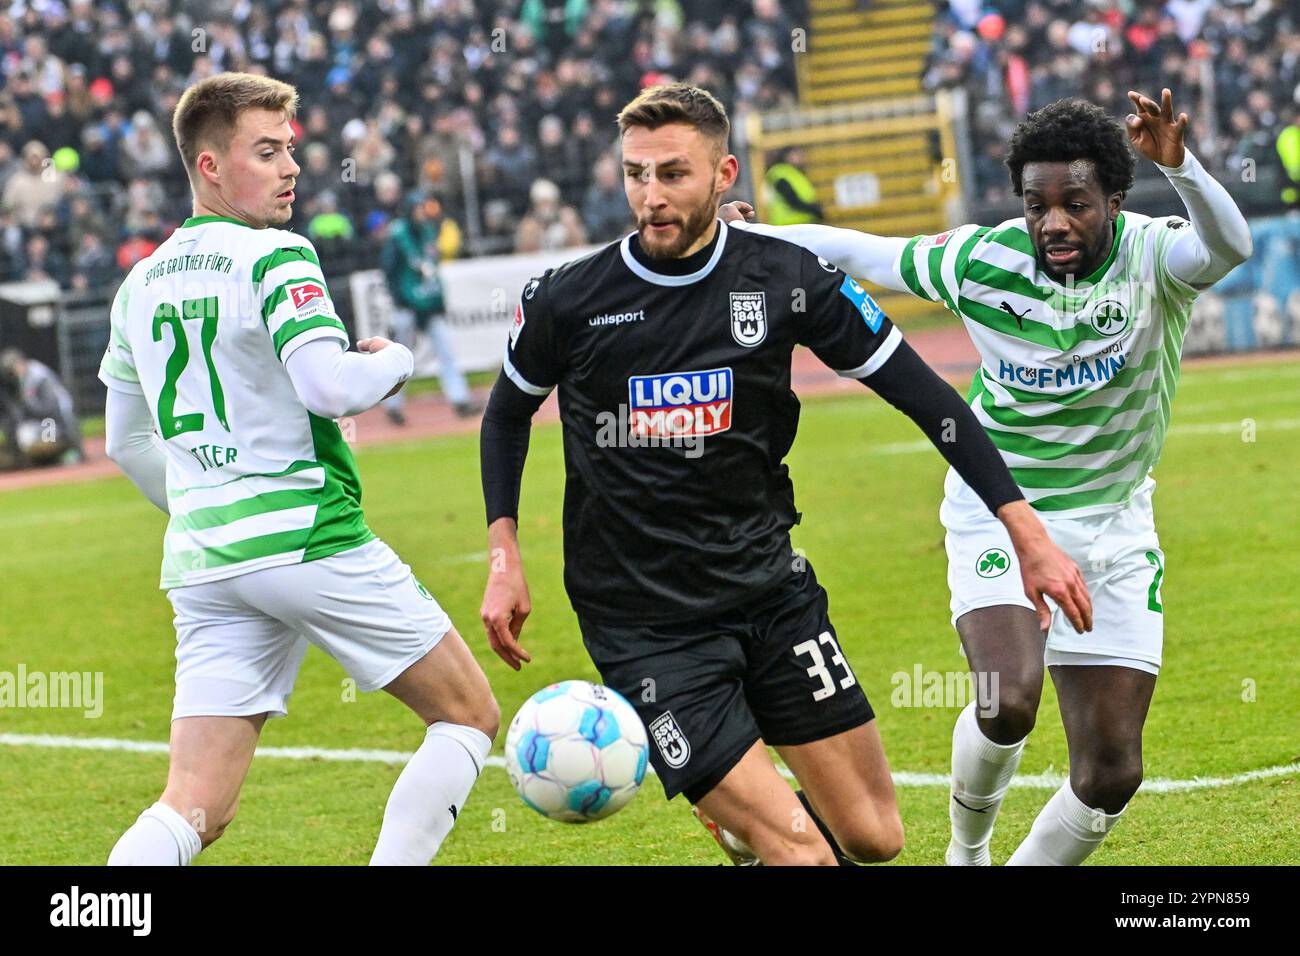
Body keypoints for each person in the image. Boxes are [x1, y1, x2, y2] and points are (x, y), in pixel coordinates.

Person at [478, 83, 1090, 866]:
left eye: (674, 174)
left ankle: (742, 823)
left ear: (725, 172)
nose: (651, 196)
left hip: (771, 594)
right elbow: (504, 417)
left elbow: (929, 398)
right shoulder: (573, 298)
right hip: (647, 627)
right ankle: (746, 820)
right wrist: (505, 557)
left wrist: (1024, 529)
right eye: (636, 174)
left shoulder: (784, 278)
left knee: (875, 838)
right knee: (804, 856)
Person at [721, 90, 1253, 865]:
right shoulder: (981, 259)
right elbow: (864, 252)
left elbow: (1229, 248)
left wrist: (1182, 168)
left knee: (1112, 771)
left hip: (1114, 524)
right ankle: (964, 855)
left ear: (1112, 199)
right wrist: (753, 235)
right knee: (1008, 702)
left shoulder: (1152, 256)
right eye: (1038, 205)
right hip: (999, 509)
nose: (1055, 223)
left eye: (1076, 204)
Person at [99, 73, 498, 866]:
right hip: (309, 537)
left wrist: (202, 506)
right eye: (268, 151)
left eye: (292, 151)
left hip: (204, 563)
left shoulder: (138, 283)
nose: (291, 170)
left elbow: (124, 441)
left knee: (193, 807)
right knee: (468, 715)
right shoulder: (277, 255)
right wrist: (400, 359)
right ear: (209, 165)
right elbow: (330, 385)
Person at [380, 190, 477, 422]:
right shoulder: (398, 236)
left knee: (447, 352)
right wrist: (400, 300)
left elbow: (432, 269)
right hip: (407, 306)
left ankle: (460, 399)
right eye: (419, 208)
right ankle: (392, 405)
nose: (424, 213)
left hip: (430, 304)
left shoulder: (428, 232)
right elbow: (390, 271)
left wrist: (439, 301)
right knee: (399, 359)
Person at [0, 348, 83, 467]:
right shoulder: (25, 377)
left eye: (12, 370)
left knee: (27, 436)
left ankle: (61, 453)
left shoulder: (38, 376)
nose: (12, 374)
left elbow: (52, 409)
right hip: (46, 423)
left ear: (20, 363)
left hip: (57, 424)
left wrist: (26, 406)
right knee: (23, 433)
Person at [762, 146, 824, 225]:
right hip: (789, 224)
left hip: (799, 223)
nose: (801, 157)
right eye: (796, 154)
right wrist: (814, 210)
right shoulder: (780, 173)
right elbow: (792, 200)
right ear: (787, 156)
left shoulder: (793, 172)